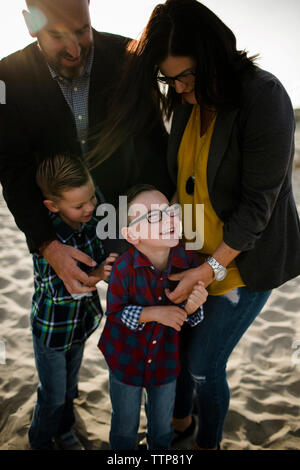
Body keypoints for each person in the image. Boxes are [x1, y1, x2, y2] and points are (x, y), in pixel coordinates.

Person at [90, 0, 300, 450]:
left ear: (216, 54)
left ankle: (207, 442)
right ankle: (180, 426)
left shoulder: (264, 97)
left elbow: (257, 207)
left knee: (203, 363)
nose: (180, 88)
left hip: (238, 262)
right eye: (170, 79)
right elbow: (175, 180)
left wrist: (209, 270)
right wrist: (139, 241)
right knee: (179, 352)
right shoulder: (186, 100)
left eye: (188, 76)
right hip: (184, 255)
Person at [0, 0, 174, 296]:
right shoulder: (7, 77)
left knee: (148, 309)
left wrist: (164, 213)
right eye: (57, 36)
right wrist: (48, 246)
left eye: (82, 31)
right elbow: (13, 169)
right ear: (31, 25)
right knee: (61, 324)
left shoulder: (130, 56)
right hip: (60, 225)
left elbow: (155, 142)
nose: (74, 50)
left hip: (129, 214)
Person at [98, 184, 208, 450]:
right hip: (125, 359)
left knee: (161, 429)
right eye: (153, 216)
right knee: (125, 427)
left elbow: (189, 319)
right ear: (132, 234)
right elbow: (114, 314)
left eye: (170, 211)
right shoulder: (124, 267)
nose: (169, 218)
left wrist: (193, 308)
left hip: (165, 362)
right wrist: (154, 313)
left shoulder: (188, 261)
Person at [29, 154, 118, 450]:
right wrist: (96, 273)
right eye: (79, 205)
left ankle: (65, 432)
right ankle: (40, 440)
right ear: (53, 206)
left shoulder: (90, 222)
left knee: (69, 388)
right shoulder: (48, 241)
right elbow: (62, 291)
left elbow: (102, 251)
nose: (90, 208)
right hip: (52, 332)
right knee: (52, 395)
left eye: (91, 197)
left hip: (79, 326)